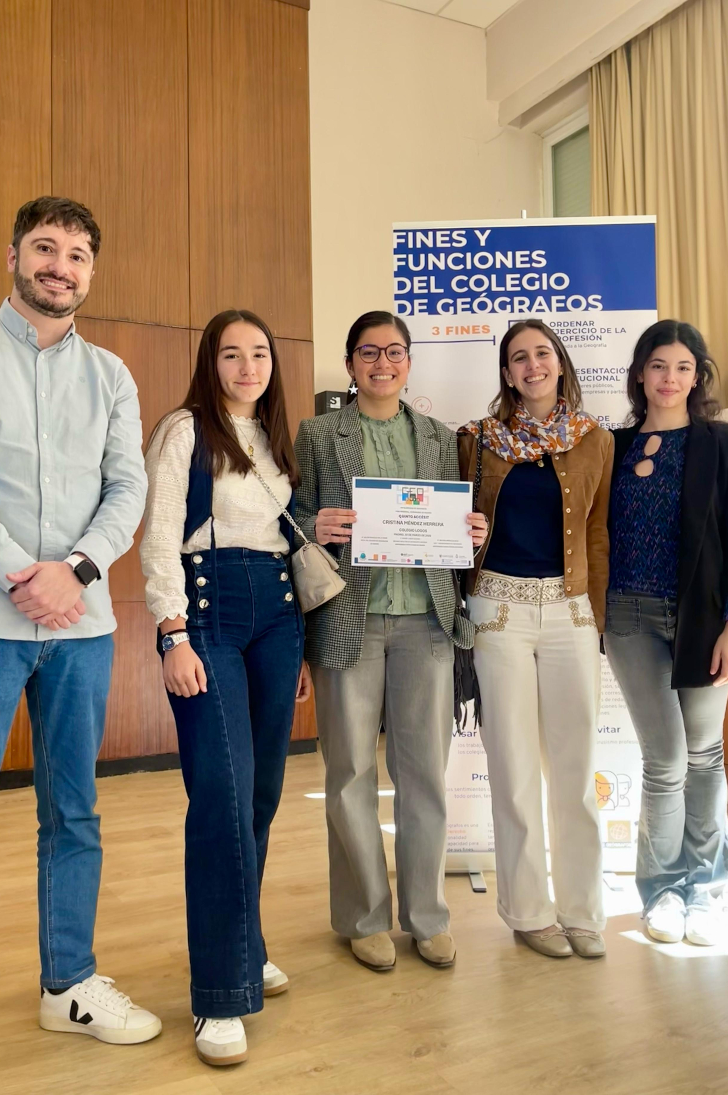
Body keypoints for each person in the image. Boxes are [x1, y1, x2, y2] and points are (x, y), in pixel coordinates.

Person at [0, 197, 158, 1095]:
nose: (61, 266)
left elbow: (128, 489)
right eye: (46, 248)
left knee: (75, 815)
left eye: (78, 253)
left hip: (81, 631)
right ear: (13, 254)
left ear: (92, 271)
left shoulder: (113, 378)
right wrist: (25, 574)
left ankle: (69, 983)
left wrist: (75, 573)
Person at [140, 309, 309, 1067]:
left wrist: (299, 643)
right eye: (232, 354)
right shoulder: (185, 430)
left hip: (277, 616)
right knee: (222, 795)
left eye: (260, 353)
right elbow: (158, 532)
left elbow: (286, 540)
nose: (248, 366)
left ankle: (247, 942)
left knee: (263, 793)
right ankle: (218, 994)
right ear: (210, 362)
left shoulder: (279, 440)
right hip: (205, 612)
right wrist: (172, 633)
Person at [294, 311, 487, 973]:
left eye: (395, 352)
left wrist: (471, 531)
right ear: (350, 364)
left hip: (427, 620)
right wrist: (313, 522)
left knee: (423, 775)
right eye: (369, 352)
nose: (383, 362)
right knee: (348, 774)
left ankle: (427, 915)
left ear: (410, 362)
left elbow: (450, 522)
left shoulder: (439, 437)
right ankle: (363, 916)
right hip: (351, 618)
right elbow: (288, 515)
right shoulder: (319, 434)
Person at [604, 320, 728, 947]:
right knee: (665, 758)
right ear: (639, 373)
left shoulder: (727, 444)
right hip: (627, 616)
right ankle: (664, 893)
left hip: (703, 618)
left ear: (696, 377)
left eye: (682, 368)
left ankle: (707, 891)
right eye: (658, 366)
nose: (669, 379)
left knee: (705, 754)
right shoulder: (610, 447)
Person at [458, 319, 613, 960]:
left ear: (559, 362)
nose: (531, 366)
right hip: (498, 611)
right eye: (518, 358)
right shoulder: (477, 442)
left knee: (575, 770)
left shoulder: (595, 439)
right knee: (515, 768)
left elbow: (599, 535)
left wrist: (595, 620)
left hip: (571, 612)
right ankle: (528, 911)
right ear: (506, 372)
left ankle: (582, 911)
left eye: (541, 353)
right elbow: (452, 519)